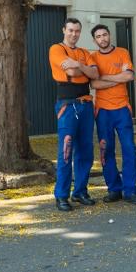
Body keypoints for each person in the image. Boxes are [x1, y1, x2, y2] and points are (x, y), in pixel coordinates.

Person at [49, 17, 100, 212]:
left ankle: (80, 192)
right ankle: (61, 195)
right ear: (64, 30)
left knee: (86, 151)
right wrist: (82, 69)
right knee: (66, 151)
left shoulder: (84, 52)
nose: (74, 34)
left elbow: (95, 74)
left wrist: (78, 65)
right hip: (67, 106)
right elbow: (70, 72)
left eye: (77, 31)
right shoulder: (56, 49)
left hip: (86, 105)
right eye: (70, 30)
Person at [89, 24, 136, 205]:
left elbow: (128, 77)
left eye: (104, 34)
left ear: (109, 35)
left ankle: (130, 190)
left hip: (122, 108)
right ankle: (114, 189)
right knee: (106, 150)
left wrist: (104, 77)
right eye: (98, 36)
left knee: (129, 149)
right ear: (94, 40)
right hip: (102, 110)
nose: (102, 38)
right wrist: (117, 78)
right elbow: (94, 84)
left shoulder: (122, 52)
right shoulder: (93, 57)